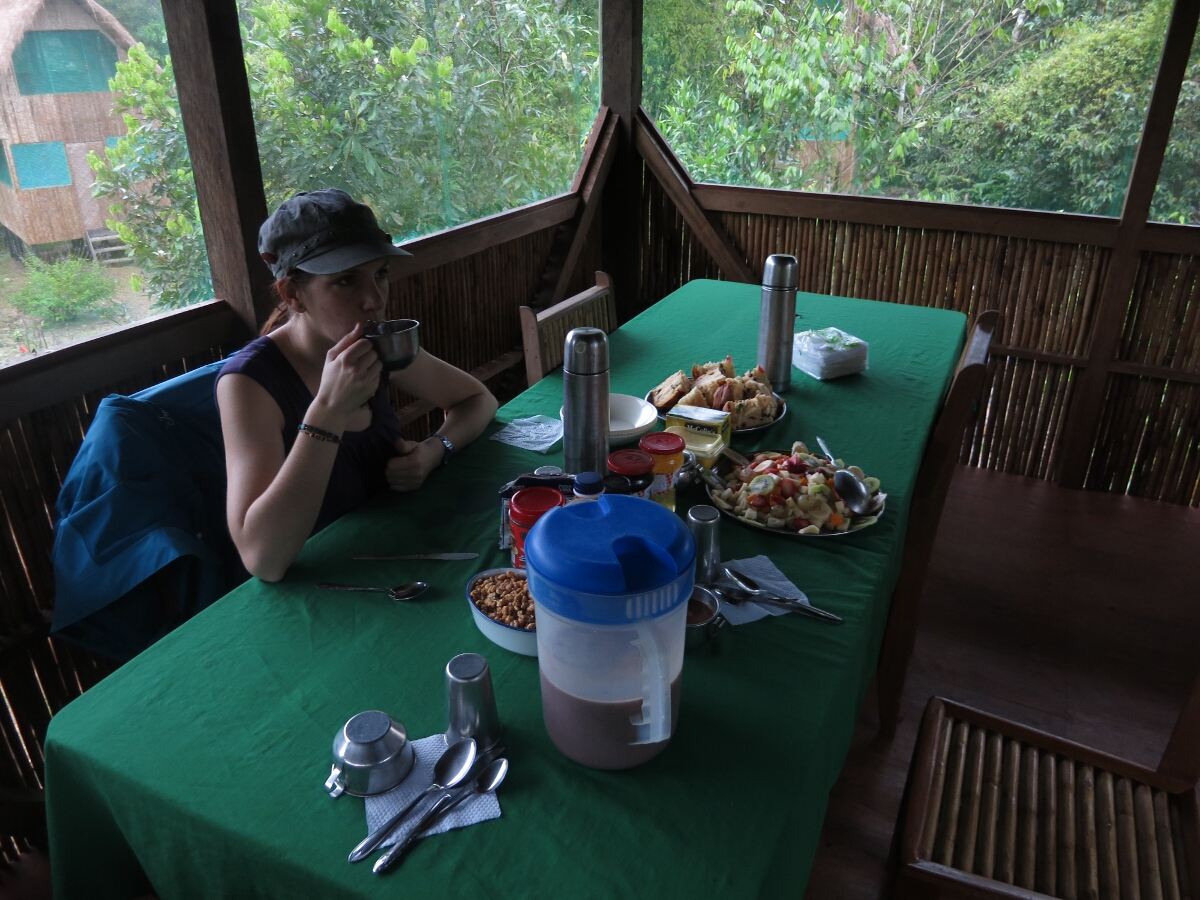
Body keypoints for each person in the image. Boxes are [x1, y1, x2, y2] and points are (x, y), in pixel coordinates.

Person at [216, 190, 498, 582]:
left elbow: (478, 399)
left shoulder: (376, 344)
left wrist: (434, 451)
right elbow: (262, 559)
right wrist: (328, 412)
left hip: (403, 559)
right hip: (316, 591)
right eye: (346, 280)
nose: (374, 300)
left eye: (380, 274)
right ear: (293, 295)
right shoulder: (248, 382)